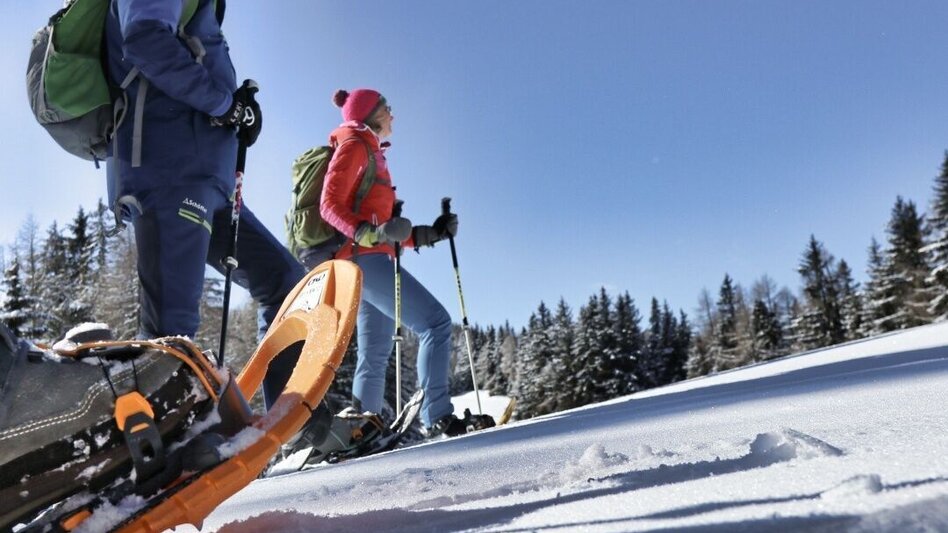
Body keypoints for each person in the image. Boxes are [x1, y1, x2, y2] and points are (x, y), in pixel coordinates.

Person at [102, 0, 304, 408]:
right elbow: (145, 40)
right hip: (170, 172)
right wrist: (226, 105)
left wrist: (238, 114)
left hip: (211, 182)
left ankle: (289, 419)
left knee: (285, 281)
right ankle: (162, 452)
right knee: (173, 335)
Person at [297, 88, 493, 437]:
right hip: (363, 258)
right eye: (388, 108)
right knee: (435, 323)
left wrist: (429, 234)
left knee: (375, 353)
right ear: (370, 112)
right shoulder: (355, 145)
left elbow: (385, 230)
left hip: (366, 259)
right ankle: (438, 415)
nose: (393, 114)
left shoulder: (370, 151)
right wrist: (369, 234)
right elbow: (330, 205)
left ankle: (362, 429)